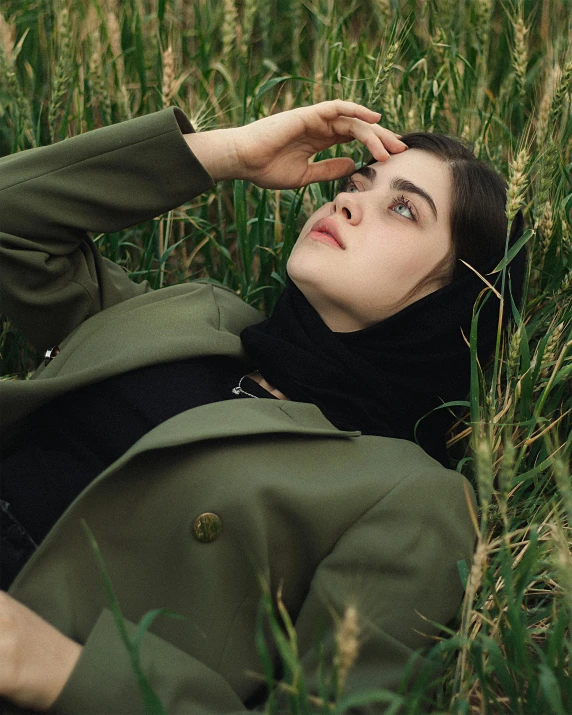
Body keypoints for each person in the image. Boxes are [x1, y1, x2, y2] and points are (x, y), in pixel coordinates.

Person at [0, 100, 525, 714]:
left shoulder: (410, 496)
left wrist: (49, 666)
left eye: (403, 208)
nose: (347, 201)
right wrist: (229, 154)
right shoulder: (199, 315)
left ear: (460, 297)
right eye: (357, 184)